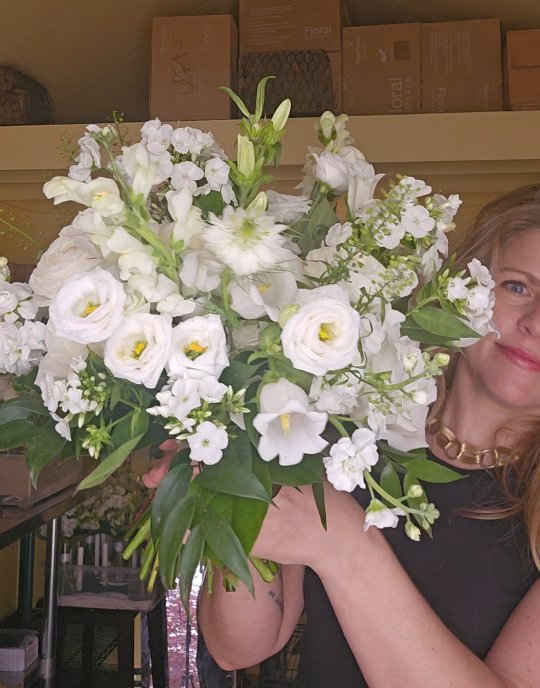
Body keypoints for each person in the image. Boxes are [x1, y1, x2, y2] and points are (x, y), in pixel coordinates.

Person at [152, 185, 540, 688]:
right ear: (467, 282)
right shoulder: (343, 424)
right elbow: (238, 647)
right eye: (518, 287)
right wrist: (233, 483)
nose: (536, 323)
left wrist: (341, 546)